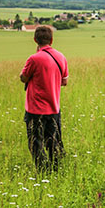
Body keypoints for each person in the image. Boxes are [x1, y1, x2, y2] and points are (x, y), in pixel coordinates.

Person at [20, 25, 69, 172]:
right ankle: (57, 170)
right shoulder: (61, 57)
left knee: (36, 143)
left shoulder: (33, 59)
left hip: (35, 109)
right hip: (54, 107)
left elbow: (24, 78)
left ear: (35, 39)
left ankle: (43, 172)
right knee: (54, 142)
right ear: (52, 40)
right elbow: (64, 81)